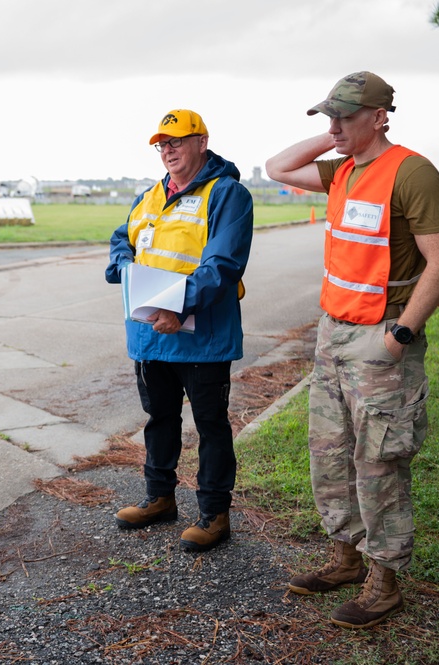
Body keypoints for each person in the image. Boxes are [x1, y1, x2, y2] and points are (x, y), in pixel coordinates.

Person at [264, 71, 439, 629]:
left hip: (382, 336)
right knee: (329, 455)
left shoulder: (413, 173)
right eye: (330, 116)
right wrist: (338, 136)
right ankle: (347, 557)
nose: (335, 127)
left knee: (379, 461)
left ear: (381, 116)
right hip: (333, 334)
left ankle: (385, 580)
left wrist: (400, 337)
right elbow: (277, 168)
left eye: (347, 116)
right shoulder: (344, 169)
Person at [105, 109, 253, 552]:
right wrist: (123, 267)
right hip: (150, 336)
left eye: (176, 141)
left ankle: (214, 513)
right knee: (160, 420)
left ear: (201, 142)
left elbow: (223, 264)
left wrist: (178, 305)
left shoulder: (228, 194)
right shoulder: (149, 196)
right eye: (161, 144)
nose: (168, 150)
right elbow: (119, 241)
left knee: (210, 425)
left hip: (201, 337)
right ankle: (160, 498)